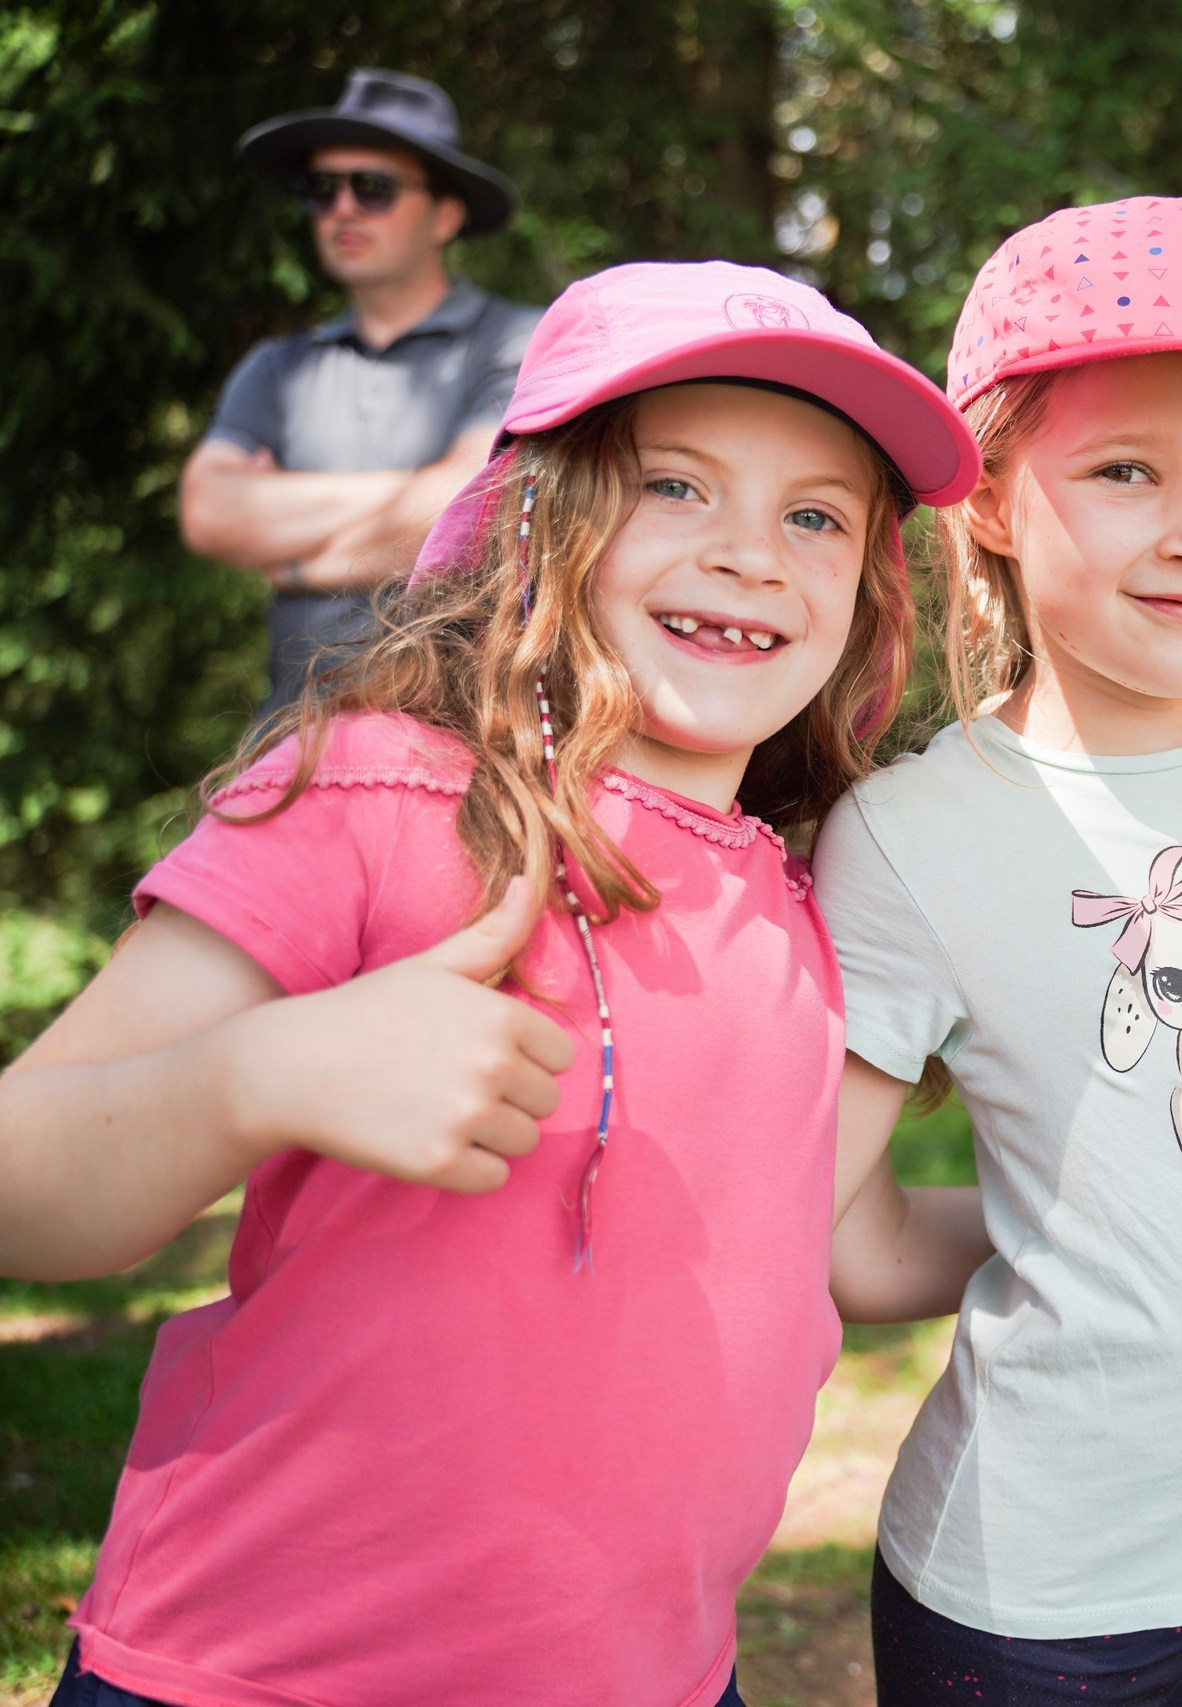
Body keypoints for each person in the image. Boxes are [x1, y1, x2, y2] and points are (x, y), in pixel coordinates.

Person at [0, 260, 989, 1707]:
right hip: (259, 1675)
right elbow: (28, 1177)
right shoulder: (380, 787)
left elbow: (854, 1242)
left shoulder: (807, 898)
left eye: (816, 515)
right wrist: (261, 1072)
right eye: (675, 487)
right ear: (542, 518)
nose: (753, 553)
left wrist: (1089, 1210)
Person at [810, 196, 1182, 1707]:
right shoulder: (915, 835)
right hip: (1045, 1599)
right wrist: (1075, 1227)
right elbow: (836, 1238)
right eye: (1128, 470)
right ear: (997, 501)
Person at [181, 69, 543, 723]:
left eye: (373, 187)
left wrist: (298, 563)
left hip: (465, 747)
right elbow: (208, 510)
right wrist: (416, 502)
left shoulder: (522, 341)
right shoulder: (277, 367)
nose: (343, 207)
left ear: (446, 215)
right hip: (290, 745)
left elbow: (479, 508)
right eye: (323, 188)